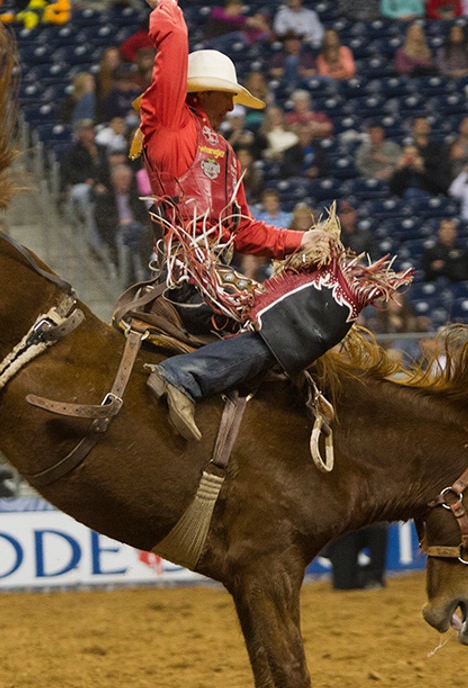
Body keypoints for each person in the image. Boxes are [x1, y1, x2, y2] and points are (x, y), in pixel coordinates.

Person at [134, 0, 407, 440]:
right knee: (284, 330)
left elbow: (242, 229)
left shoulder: (223, 152)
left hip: (216, 274)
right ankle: (182, 376)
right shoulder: (171, 126)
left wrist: (304, 239)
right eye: (228, 94)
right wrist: (168, 8)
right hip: (185, 278)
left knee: (297, 321)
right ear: (200, 92)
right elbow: (173, 49)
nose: (234, 105)